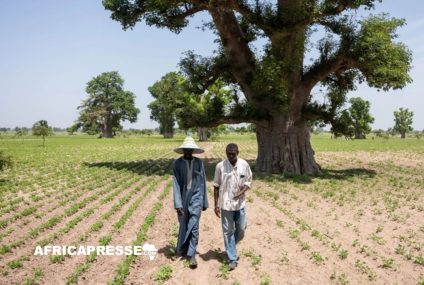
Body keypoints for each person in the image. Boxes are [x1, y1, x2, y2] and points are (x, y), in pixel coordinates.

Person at [213, 143, 252, 270]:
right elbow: (216, 186)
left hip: (240, 205)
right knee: (228, 231)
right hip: (226, 205)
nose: (230, 156)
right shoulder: (220, 166)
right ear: (225, 153)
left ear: (238, 152)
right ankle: (232, 258)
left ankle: (231, 247)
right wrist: (216, 205)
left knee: (241, 229)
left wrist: (241, 192)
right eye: (228, 154)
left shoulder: (244, 164)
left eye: (233, 154)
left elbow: (248, 181)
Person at [172, 136, 208, 268]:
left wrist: (204, 202)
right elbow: (175, 184)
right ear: (183, 150)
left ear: (193, 150)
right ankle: (183, 248)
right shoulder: (177, 163)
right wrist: (178, 204)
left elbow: (202, 182)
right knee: (184, 224)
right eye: (186, 149)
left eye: (190, 150)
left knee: (194, 226)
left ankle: (191, 254)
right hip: (182, 197)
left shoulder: (199, 163)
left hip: (196, 197)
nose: (188, 152)